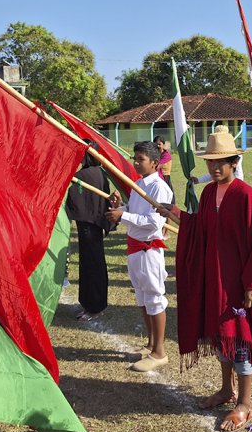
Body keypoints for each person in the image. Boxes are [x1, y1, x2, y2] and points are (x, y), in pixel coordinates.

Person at [161, 129, 252, 432]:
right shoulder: (209, 192)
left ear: (234, 162)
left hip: (240, 284)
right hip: (217, 280)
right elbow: (201, 228)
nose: (214, 167)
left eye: (221, 162)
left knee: (241, 341)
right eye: (211, 162)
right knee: (220, 336)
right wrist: (176, 214)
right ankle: (227, 389)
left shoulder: (246, 195)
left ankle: (246, 403)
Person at [106, 141, 173, 372]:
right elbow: (135, 212)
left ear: (155, 163)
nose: (136, 162)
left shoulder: (159, 188)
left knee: (154, 297)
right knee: (142, 297)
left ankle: (159, 352)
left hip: (149, 249)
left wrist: (123, 217)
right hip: (135, 248)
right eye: (135, 158)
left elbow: (154, 222)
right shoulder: (138, 184)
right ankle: (151, 344)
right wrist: (121, 208)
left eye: (140, 159)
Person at [65, 143, 113, 321]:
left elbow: (74, 200)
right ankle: (92, 303)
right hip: (95, 225)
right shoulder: (101, 173)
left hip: (88, 226)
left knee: (92, 266)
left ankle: (94, 306)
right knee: (94, 264)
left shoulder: (81, 176)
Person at [154, 136, 174, 201]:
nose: (157, 146)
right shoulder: (156, 154)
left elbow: (156, 167)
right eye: (156, 144)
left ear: (163, 144)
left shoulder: (166, 155)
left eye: (159, 144)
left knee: (167, 196)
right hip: (157, 177)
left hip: (165, 177)